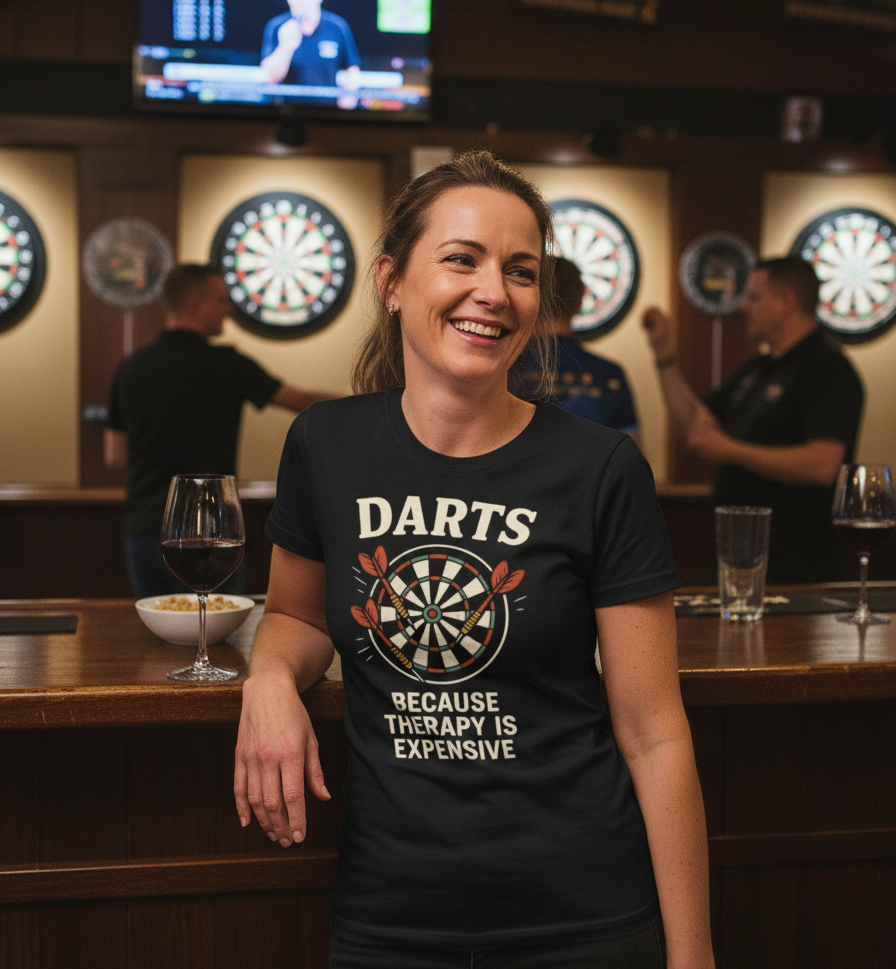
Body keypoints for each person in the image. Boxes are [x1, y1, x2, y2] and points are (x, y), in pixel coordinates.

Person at [234, 151, 715, 969]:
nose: (495, 290)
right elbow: (294, 615)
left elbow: (653, 733)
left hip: (585, 918)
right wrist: (270, 679)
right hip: (392, 920)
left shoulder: (601, 467)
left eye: (520, 270)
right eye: (462, 258)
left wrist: (693, 954)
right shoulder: (324, 444)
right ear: (392, 280)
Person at [105, 263, 332, 598]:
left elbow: (114, 455)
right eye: (222, 300)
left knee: (160, 624)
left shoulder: (129, 369)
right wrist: (369, 401)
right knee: (216, 624)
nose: (229, 310)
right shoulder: (228, 364)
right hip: (212, 534)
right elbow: (298, 401)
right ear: (196, 304)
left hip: (145, 530)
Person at [642, 256, 864, 584]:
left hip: (796, 567)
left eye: (754, 297)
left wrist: (730, 450)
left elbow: (823, 465)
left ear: (786, 302)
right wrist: (663, 352)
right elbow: (694, 425)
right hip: (739, 557)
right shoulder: (758, 368)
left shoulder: (826, 367)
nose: (744, 307)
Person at [513, 255, 642, 446]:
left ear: (534, 298)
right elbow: (633, 455)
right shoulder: (609, 374)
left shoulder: (506, 369)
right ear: (580, 300)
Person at [261, 0, 360, 103]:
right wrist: (285, 47)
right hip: (287, 112)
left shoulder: (337, 27)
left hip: (327, 113)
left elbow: (352, 70)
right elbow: (270, 78)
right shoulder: (277, 27)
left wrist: (347, 103)